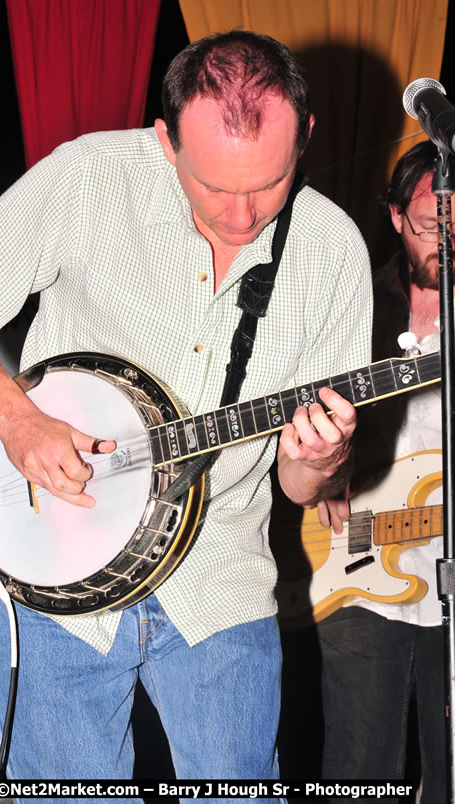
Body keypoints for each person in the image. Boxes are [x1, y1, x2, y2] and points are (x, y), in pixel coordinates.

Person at [0, 31, 372, 800]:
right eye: (214, 186)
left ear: (308, 136)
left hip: (220, 584)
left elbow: (297, 485)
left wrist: (322, 459)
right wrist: (15, 417)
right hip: (55, 580)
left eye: (267, 185)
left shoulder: (332, 251)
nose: (240, 216)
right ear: (166, 142)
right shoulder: (90, 177)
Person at [315, 140, 447, 802]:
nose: (446, 237)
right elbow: (302, 411)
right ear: (396, 217)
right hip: (361, 559)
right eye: (429, 222)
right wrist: (325, 471)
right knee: (360, 761)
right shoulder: (350, 306)